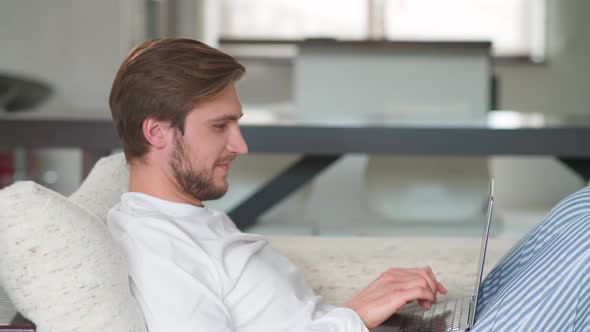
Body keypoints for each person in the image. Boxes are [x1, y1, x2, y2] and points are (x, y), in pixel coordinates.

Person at [107, 38, 589, 332]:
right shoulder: (156, 249)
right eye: (220, 126)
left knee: (578, 210)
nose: (241, 144)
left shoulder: (190, 219)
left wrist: (368, 308)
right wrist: (354, 315)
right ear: (157, 133)